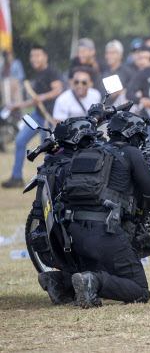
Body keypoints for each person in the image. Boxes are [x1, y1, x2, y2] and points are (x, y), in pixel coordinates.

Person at [62, 112, 150, 308]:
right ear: (133, 135)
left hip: (76, 234)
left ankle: (58, 282)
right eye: (140, 138)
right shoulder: (132, 153)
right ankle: (94, 282)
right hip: (105, 232)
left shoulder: (93, 151)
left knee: (96, 271)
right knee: (139, 289)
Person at [36, 117, 100, 305]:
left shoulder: (50, 164)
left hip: (55, 242)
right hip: (79, 238)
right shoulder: (78, 164)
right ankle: (76, 284)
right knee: (132, 282)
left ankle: (58, 281)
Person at [2, 45, 63, 188]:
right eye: (32, 56)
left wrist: (42, 97)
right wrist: (18, 105)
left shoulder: (51, 72)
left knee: (49, 149)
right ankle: (17, 177)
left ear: (45, 57)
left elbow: (58, 90)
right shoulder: (39, 74)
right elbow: (36, 99)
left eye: (37, 55)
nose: (34, 59)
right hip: (37, 115)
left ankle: (54, 180)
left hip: (50, 116)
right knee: (20, 141)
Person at [98, 40, 135, 106]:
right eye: (107, 53)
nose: (109, 56)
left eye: (112, 53)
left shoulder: (128, 72)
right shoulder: (103, 72)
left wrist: (121, 92)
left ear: (120, 55)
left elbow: (134, 90)